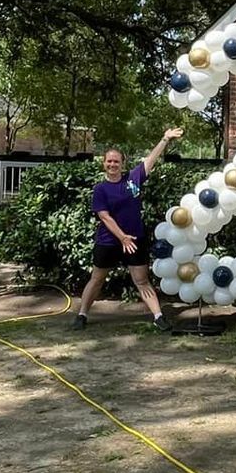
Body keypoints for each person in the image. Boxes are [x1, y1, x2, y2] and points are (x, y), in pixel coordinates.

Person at [74, 127, 183, 329]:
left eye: (116, 161)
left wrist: (165, 139)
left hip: (135, 240)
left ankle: (158, 317)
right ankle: (81, 316)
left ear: (122, 163)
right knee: (97, 279)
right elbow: (104, 217)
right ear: (104, 163)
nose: (113, 164)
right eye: (109, 161)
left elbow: (151, 160)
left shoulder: (133, 180)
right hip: (108, 241)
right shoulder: (100, 189)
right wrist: (122, 237)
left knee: (141, 280)